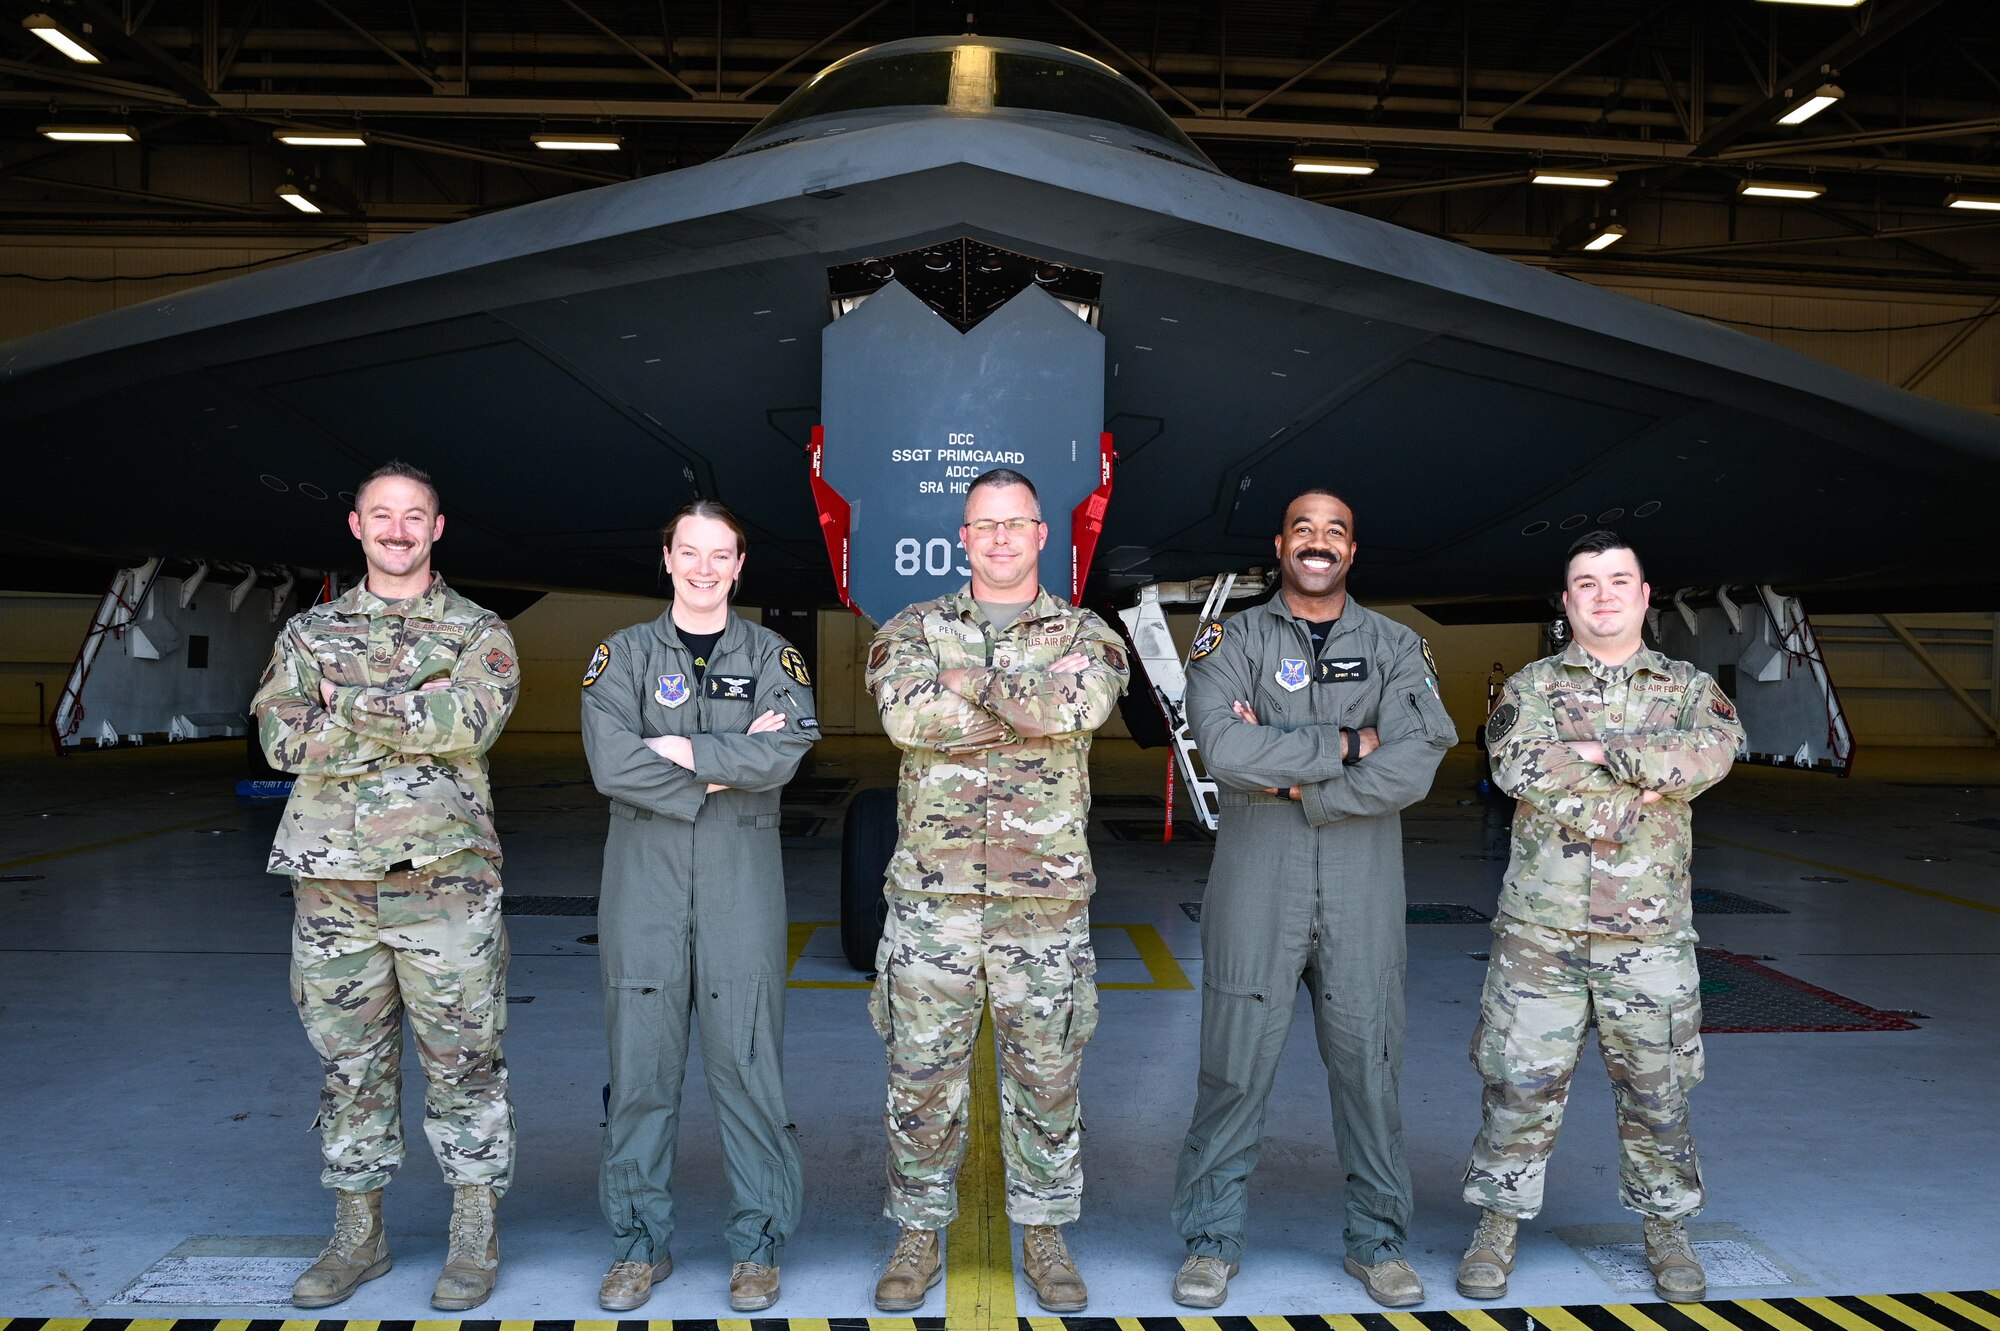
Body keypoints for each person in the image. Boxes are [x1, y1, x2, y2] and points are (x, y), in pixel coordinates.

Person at [1170, 487, 1455, 1311]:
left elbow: (1418, 755)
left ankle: (1379, 1241)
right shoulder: (1235, 638)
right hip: (1258, 876)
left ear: (1352, 551)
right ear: (1282, 544)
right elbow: (1223, 747)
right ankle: (1211, 1240)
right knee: (1233, 1064)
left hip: (1364, 878)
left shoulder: (1398, 645)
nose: (1319, 542)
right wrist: (1346, 741)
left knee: (1371, 1065)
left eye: (1335, 531)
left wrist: (1303, 783)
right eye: (1305, 529)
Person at [251, 460, 521, 1312]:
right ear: (357, 526)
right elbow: (279, 740)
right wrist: (411, 711)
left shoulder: (480, 632)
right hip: (333, 888)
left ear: (436, 529)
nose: (397, 528)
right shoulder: (308, 632)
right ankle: (358, 1234)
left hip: (447, 886)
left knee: (465, 1063)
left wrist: (345, 701)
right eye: (381, 514)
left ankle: (473, 1235)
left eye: (414, 515)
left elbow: (469, 720)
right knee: (349, 1066)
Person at [864, 467, 1130, 1315]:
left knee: (1048, 1075)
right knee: (920, 1074)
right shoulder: (912, 628)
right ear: (965, 537)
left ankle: (1046, 1236)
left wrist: (968, 685)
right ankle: (916, 1233)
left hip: (1042, 907)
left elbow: (1080, 706)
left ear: (1044, 535)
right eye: (987, 525)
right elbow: (906, 718)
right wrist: (1028, 700)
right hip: (933, 903)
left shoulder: (1089, 632)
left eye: (1018, 523)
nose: (1003, 537)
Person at [1456, 529, 1743, 1305]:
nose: (1604, 593)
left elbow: (1713, 751)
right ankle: (1496, 1223)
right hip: (1540, 931)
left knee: (1658, 1089)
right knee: (1518, 1082)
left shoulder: (1686, 685)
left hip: (1648, 936)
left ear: (1645, 596)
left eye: (1619, 579)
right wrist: (1642, 783)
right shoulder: (1531, 687)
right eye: (1587, 582)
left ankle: (1666, 1229)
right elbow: (1517, 763)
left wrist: (1592, 750)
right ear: (1568, 600)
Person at [579, 499, 819, 1314]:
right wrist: (725, 761)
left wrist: (678, 750)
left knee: (748, 1068)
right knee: (640, 1070)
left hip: (740, 885)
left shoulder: (775, 656)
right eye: (691, 551)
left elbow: (785, 752)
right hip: (640, 884)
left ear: (740, 564)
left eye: (722, 554)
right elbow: (611, 763)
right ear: (668, 556)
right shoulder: (624, 655)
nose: (706, 567)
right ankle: (638, 1245)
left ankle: (757, 1247)